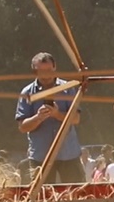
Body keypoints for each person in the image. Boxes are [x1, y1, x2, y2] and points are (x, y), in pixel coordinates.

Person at [15, 52, 83, 184]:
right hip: (41, 156)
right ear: (34, 71)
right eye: (41, 71)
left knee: (76, 195)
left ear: (54, 67)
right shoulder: (27, 93)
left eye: (48, 70)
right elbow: (23, 127)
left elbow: (76, 119)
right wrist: (38, 117)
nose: (45, 75)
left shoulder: (67, 89)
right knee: (41, 197)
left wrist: (57, 114)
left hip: (68, 154)